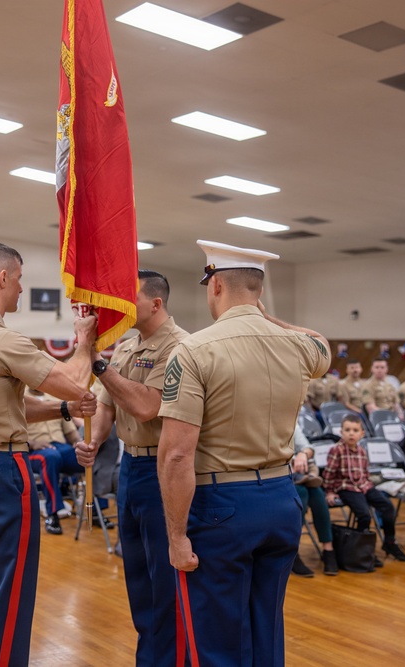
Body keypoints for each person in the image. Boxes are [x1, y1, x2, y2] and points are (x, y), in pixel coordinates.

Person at [157, 240, 330, 666]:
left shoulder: (194, 350)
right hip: (280, 499)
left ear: (214, 286)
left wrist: (177, 537)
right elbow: (320, 341)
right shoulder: (297, 347)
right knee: (267, 628)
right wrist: (260, 314)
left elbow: (177, 455)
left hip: (222, 508)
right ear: (260, 291)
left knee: (217, 639)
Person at [0, 242, 98, 667]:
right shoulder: (1, 339)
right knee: (9, 594)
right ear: (3, 278)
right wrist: (85, 341)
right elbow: (77, 381)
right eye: (21, 279)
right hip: (3, 472)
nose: (22, 289)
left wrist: (62, 410)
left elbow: (7, 405)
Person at [73, 268, 189, 666]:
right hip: (132, 470)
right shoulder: (126, 346)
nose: (121, 305)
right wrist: (94, 441)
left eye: (130, 297)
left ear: (156, 303)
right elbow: (107, 403)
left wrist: (98, 364)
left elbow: (145, 405)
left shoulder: (180, 347)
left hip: (164, 471)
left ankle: (171, 659)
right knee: (138, 577)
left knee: (165, 582)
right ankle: (149, 657)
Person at [322, 414, 405, 564]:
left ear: (362, 434)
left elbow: (365, 473)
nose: (351, 433)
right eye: (347, 430)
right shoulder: (336, 450)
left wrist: (369, 485)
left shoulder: (362, 451)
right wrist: (329, 491)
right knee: (364, 515)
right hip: (346, 487)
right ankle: (363, 549)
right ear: (341, 432)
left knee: (388, 507)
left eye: (355, 430)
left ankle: (389, 542)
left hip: (364, 485)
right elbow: (328, 473)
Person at [26, 387, 83, 535]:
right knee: (50, 457)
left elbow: (70, 431)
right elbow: (12, 429)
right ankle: (53, 514)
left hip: (59, 446)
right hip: (34, 449)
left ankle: (96, 511)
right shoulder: (20, 396)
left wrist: (79, 443)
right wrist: (32, 443)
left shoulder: (54, 397)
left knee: (86, 457)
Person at [290, 424, 337, 576]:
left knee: (317, 494)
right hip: (278, 476)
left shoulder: (292, 423)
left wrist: (303, 454)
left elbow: (309, 448)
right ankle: (292, 553)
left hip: (299, 474)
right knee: (302, 494)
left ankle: (328, 549)